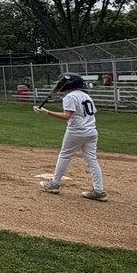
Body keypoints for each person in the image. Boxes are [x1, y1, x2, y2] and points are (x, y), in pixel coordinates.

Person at [35, 73, 107, 201]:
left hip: (76, 132)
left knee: (64, 155)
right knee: (92, 161)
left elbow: (67, 116)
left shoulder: (70, 97)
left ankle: (54, 184)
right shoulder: (86, 96)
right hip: (91, 132)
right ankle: (99, 190)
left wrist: (46, 112)